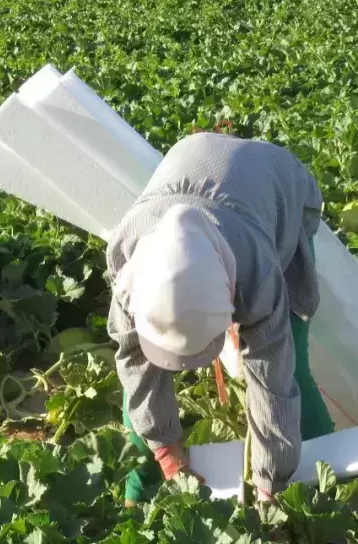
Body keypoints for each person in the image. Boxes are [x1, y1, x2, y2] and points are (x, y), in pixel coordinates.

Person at [106, 132, 337, 507]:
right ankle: (136, 496)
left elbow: (272, 381)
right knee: (138, 379)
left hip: (275, 179)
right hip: (195, 160)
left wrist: (269, 490)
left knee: (293, 368)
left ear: (231, 297)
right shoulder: (127, 257)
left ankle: (323, 490)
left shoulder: (260, 273)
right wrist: (165, 449)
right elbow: (135, 362)